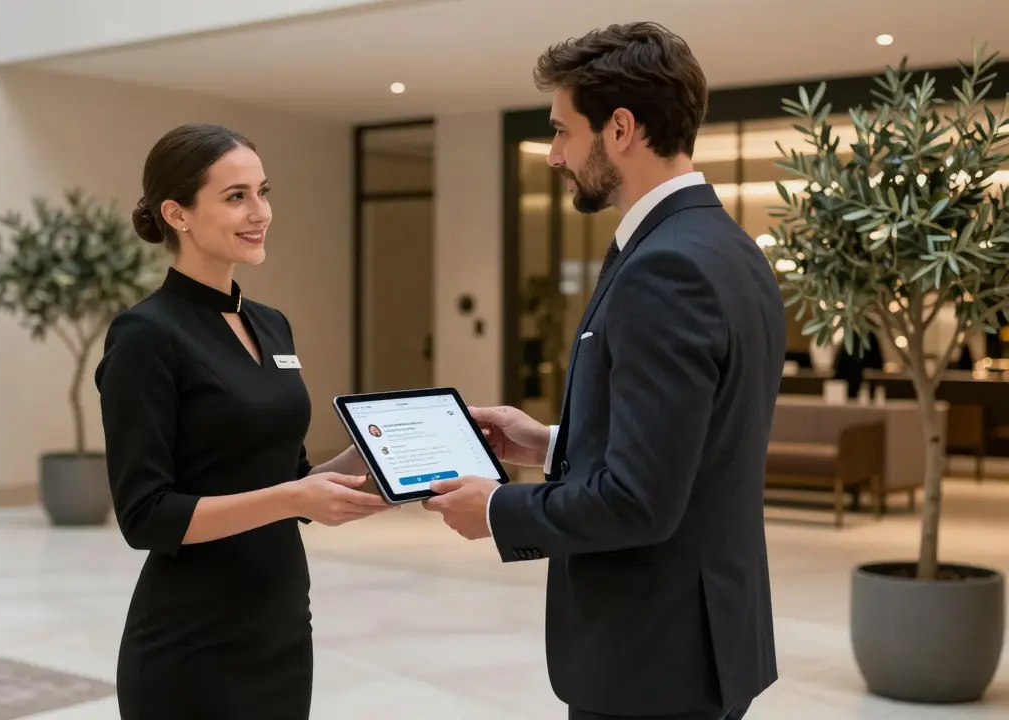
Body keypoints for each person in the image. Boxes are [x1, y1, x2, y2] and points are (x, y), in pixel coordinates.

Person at [423, 23, 785, 720]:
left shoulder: (665, 266)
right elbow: (691, 449)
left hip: (653, 659)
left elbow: (639, 501)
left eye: (562, 131)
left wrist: (495, 510)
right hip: (701, 643)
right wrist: (551, 443)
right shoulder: (730, 247)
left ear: (620, 128)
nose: (554, 155)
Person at [95, 123, 390, 719]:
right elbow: (146, 516)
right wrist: (293, 498)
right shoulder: (145, 336)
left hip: (281, 625)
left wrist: (376, 453)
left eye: (263, 191)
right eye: (236, 196)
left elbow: (287, 473)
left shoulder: (271, 323)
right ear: (177, 213)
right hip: (191, 644)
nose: (261, 212)